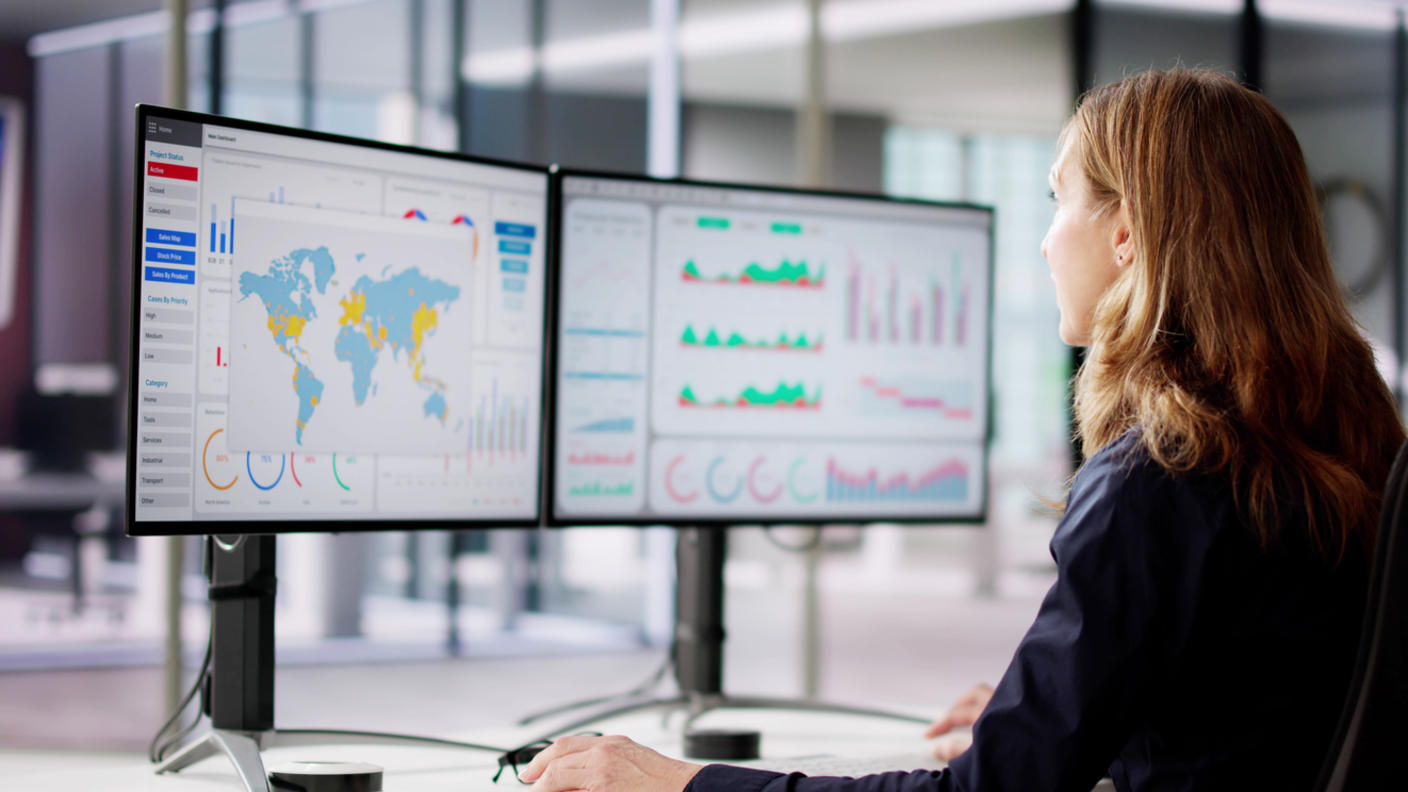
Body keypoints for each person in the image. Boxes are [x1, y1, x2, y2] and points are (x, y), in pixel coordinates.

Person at [518, 68, 1404, 792]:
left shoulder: (1161, 473)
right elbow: (1259, 709)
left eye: (1059, 202)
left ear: (1127, 234)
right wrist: (1048, 717)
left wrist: (681, 785)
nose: (1046, 244)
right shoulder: (1346, 442)